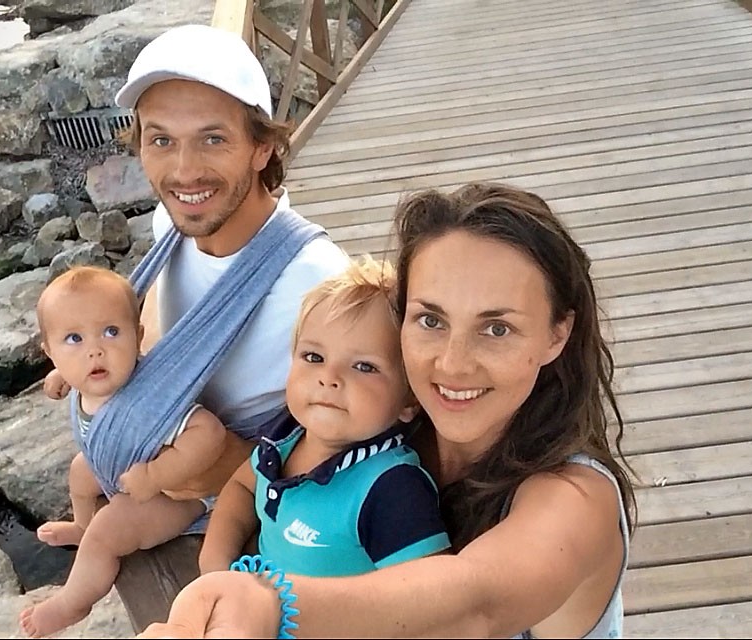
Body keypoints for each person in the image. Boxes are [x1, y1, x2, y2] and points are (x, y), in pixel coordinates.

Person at [137, 182, 638, 639]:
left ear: (557, 334)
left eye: (496, 329)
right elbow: (275, 480)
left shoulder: (577, 499)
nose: (453, 364)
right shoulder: (384, 428)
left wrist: (269, 602)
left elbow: (473, 607)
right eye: (431, 320)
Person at [43, 25, 349, 505]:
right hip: (151, 478)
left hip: (239, 511)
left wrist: (214, 465)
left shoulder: (316, 281)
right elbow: (151, 324)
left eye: (212, 139)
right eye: (161, 141)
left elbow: (353, 457)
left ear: (262, 147)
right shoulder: (171, 224)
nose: (184, 171)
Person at [198, 257, 450, 578]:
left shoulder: (390, 488)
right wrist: (215, 565)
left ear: (410, 398)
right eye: (314, 357)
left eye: (364, 366)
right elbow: (242, 487)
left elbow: (429, 594)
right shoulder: (282, 441)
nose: (329, 377)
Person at [22, 266, 230, 637]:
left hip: (178, 496)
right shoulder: (86, 375)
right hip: (118, 467)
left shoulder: (149, 399)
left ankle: (73, 601)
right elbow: (81, 361)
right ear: (50, 352)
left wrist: (156, 475)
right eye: (74, 339)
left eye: (111, 332)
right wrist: (61, 376)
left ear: (139, 336)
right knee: (79, 473)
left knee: (107, 530)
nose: (95, 351)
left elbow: (209, 433)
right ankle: (80, 526)